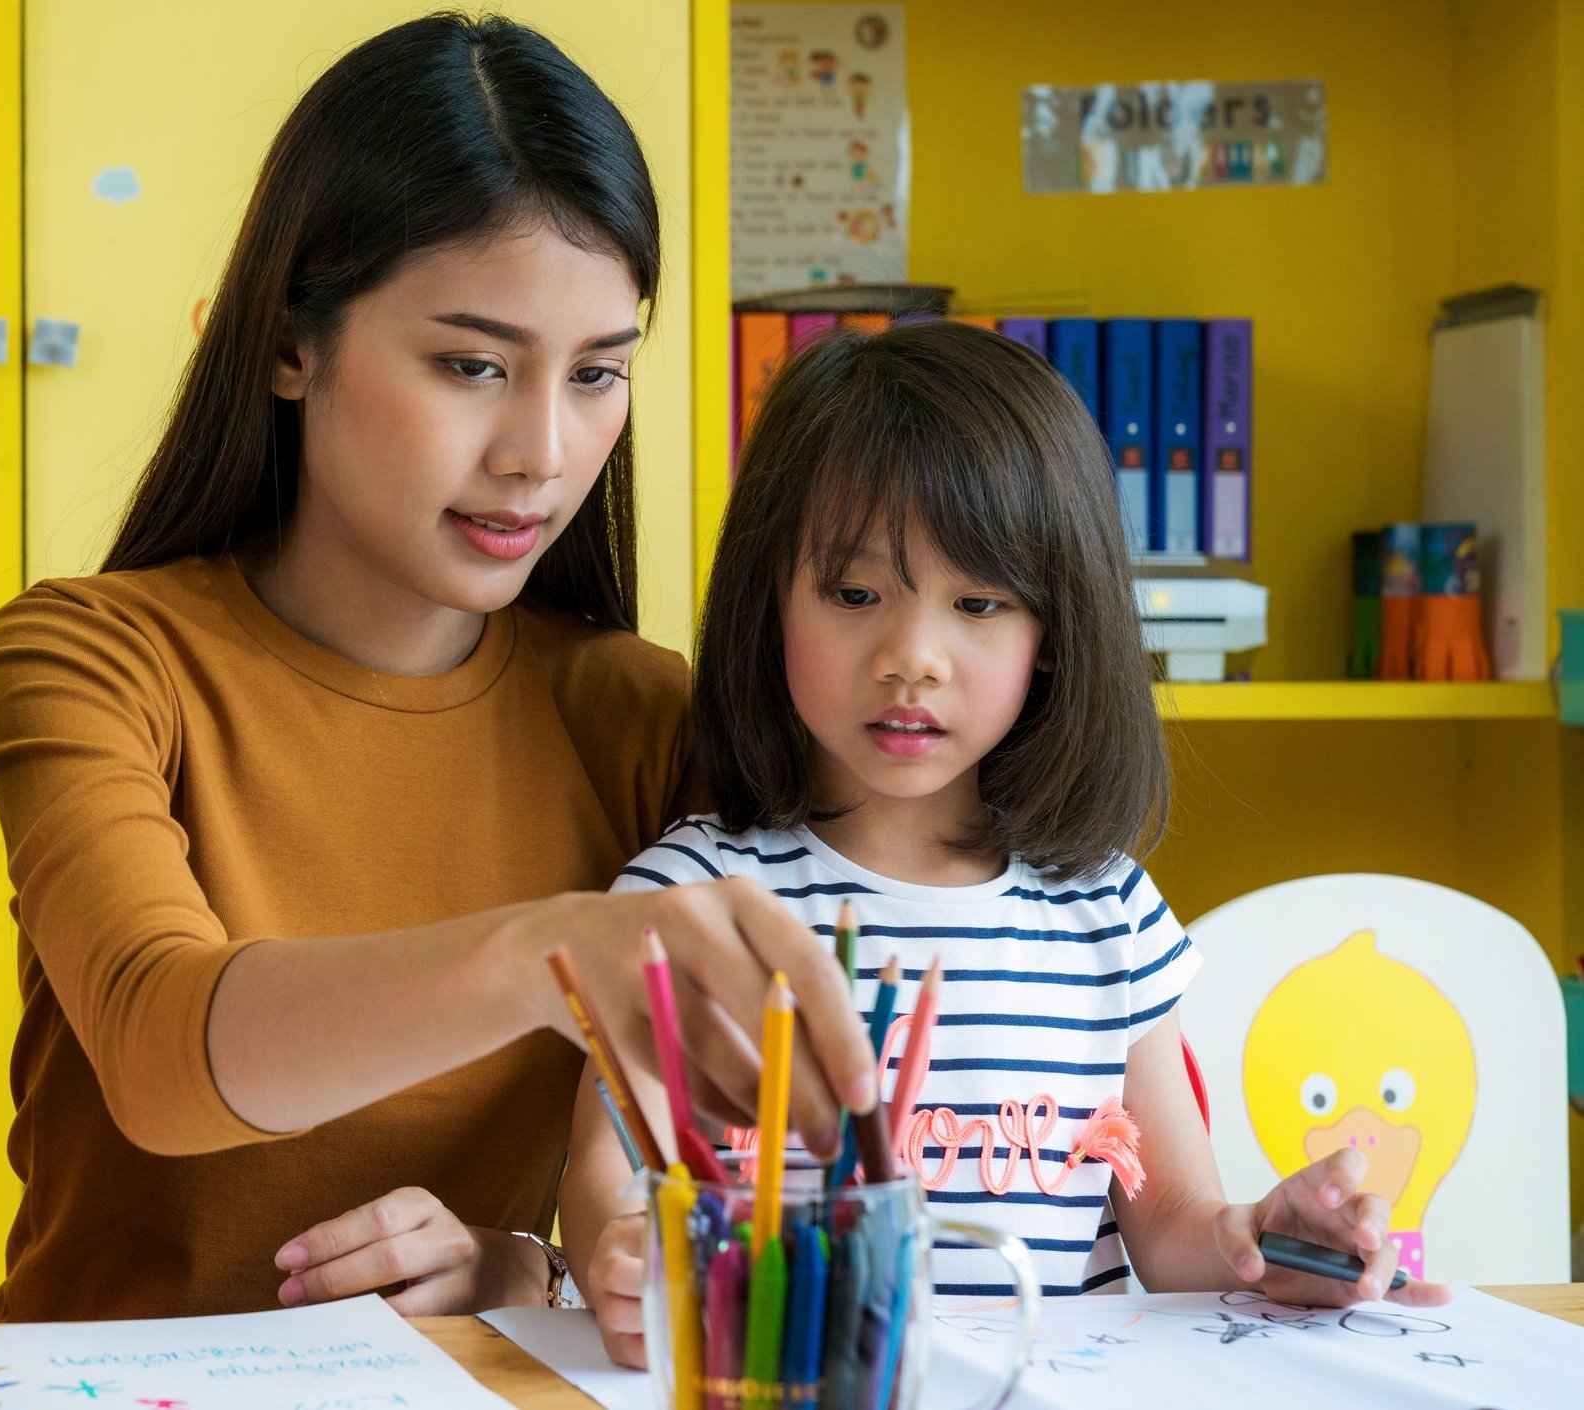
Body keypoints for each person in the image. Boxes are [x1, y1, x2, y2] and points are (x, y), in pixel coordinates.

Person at [0, 13, 871, 1324]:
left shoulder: (641, 717)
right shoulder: (92, 658)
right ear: (289, 344)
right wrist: (550, 949)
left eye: (599, 373)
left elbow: (671, 1202)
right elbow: (163, 1056)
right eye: (473, 364)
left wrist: (526, 1268)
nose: (543, 451)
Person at [567, 321, 1449, 1368]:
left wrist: (1265, 1244)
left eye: (978, 603)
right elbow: (606, 1174)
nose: (912, 659)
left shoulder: (1105, 912)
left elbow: (1173, 1230)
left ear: (1054, 634)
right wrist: (621, 1252)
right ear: (768, 600)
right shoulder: (690, 900)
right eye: (854, 595)